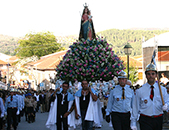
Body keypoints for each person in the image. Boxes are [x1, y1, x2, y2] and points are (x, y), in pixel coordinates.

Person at [131, 63, 169, 130]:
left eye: (153, 74)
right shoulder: (140, 91)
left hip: (158, 119)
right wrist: (133, 122)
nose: (150, 76)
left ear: (156, 75)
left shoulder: (162, 90)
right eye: (148, 74)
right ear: (146, 75)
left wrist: (166, 105)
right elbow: (135, 107)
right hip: (145, 119)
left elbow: (167, 101)